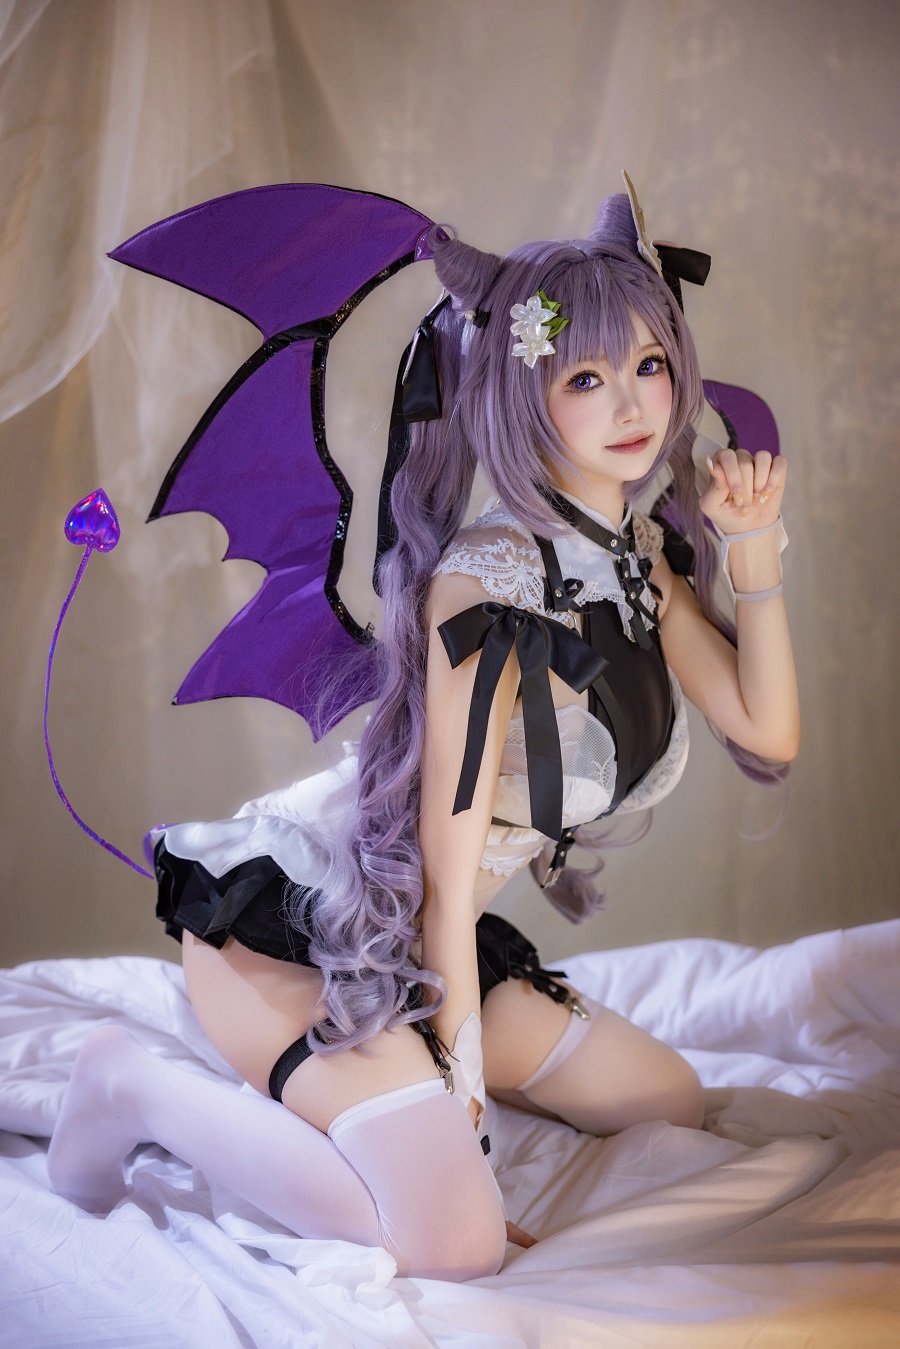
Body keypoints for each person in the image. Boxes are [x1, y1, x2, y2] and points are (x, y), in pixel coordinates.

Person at [47, 187, 799, 1281]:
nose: (633, 402)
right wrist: (467, 1119)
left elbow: (768, 728)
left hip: (421, 941)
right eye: (584, 377)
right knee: (454, 1244)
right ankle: (130, 1082)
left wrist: (756, 551)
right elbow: (444, 880)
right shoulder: (482, 588)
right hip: (306, 932)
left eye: (648, 363)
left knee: (665, 1096)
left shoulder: (633, 557)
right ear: (522, 392)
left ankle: (390, 1096)